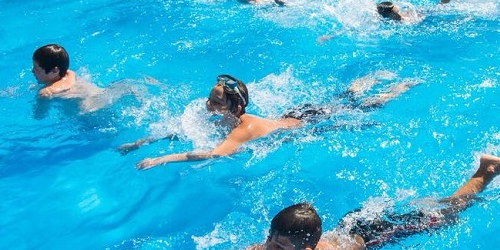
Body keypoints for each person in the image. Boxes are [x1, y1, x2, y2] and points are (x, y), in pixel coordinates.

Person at [123, 153, 500, 250]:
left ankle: (485, 172)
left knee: (446, 216)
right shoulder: (271, 249)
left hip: (374, 235)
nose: (268, 249)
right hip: (350, 224)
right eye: (271, 239)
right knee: (433, 208)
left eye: (279, 246)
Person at [130, 72, 415, 169]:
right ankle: (367, 80)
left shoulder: (243, 129)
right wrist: (144, 142)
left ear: (234, 107)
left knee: (358, 107)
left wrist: (162, 159)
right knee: (343, 100)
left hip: (307, 123)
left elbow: (216, 154)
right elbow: (185, 130)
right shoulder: (227, 118)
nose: (208, 105)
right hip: (293, 114)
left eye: (215, 102)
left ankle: (398, 88)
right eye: (209, 99)